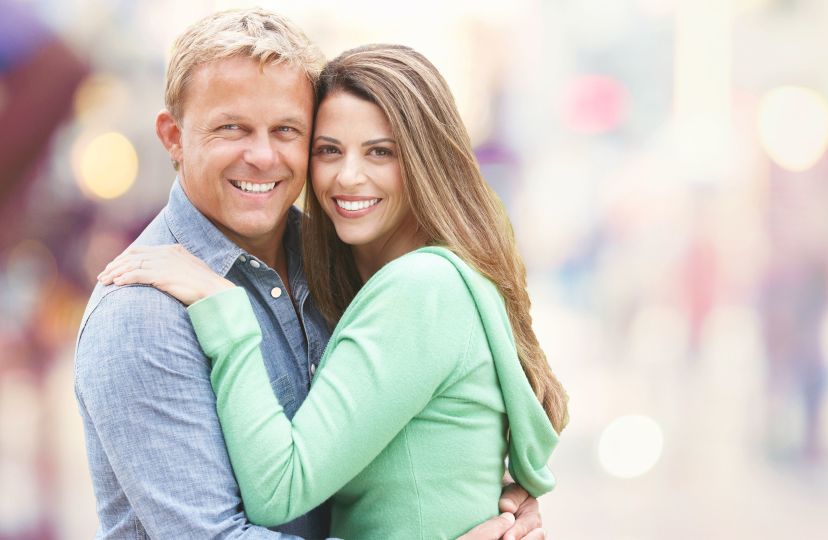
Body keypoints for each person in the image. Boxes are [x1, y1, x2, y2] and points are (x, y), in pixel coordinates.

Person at [76, 9, 545, 539]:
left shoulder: (340, 264)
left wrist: (483, 494)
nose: (261, 155)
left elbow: (394, 442)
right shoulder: (142, 313)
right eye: (232, 128)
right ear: (173, 137)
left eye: (287, 131)